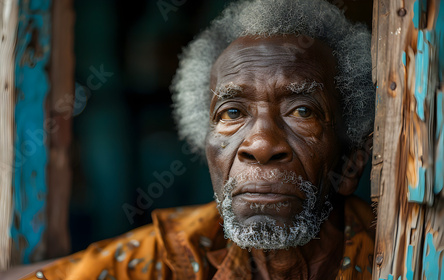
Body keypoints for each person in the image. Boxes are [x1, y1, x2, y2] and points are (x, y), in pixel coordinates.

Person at [22, 0, 376, 279]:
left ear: (350, 162)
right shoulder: (181, 250)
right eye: (232, 113)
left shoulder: (402, 255)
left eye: (302, 111)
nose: (261, 145)